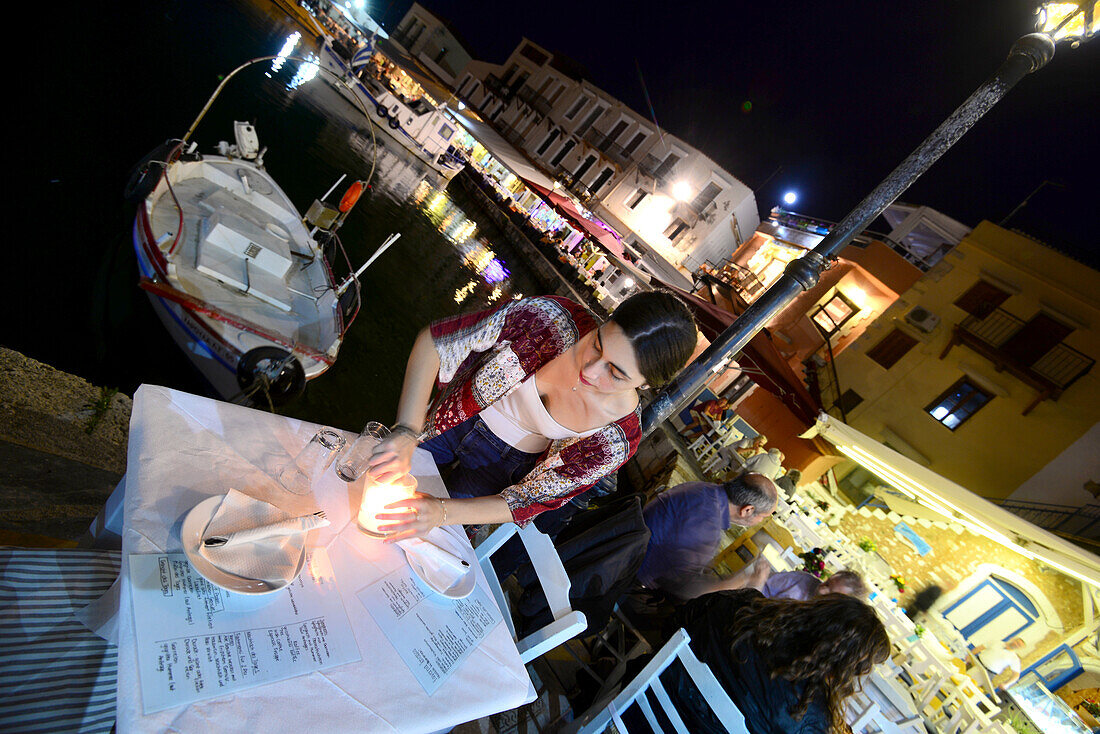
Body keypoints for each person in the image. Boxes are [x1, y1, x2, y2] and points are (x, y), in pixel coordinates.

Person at [366, 292, 698, 540]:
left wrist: (439, 512)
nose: (590, 369)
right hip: (455, 416)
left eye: (616, 372)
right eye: (598, 344)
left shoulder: (615, 440)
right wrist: (408, 429)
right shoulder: (547, 320)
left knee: (419, 533)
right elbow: (438, 342)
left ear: (646, 384)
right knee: (372, 484)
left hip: (505, 467)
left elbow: (531, 499)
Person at [624, 590, 891, 733]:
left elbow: (675, 623)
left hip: (633, 701)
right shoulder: (811, 716)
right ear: (846, 668)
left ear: (817, 609)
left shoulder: (744, 607)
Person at [635, 473, 779, 599]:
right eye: (763, 516)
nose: (761, 521)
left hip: (627, 541)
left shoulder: (702, 488)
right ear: (747, 510)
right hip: (630, 575)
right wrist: (745, 581)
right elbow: (688, 589)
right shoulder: (708, 527)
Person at [760, 568, 868, 600]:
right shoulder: (802, 580)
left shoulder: (823, 620)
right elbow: (760, 584)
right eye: (827, 583)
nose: (821, 590)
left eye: (830, 594)